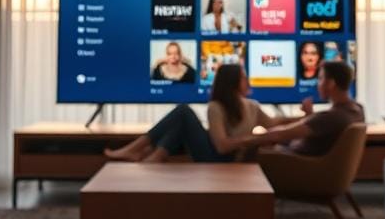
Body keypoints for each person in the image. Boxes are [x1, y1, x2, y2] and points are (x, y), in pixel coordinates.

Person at [105, 64, 288, 163]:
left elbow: (274, 122)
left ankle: (138, 150)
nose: (248, 81)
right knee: (181, 119)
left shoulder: (252, 106)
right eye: (243, 77)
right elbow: (221, 144)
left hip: (219, 160)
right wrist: (252, 139)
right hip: (215, 154)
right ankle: (151, 156)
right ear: (232, 82)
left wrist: (305, 117)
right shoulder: (216, 106)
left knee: (182, 112)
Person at [240, 60, 365, 156]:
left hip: (300, 167)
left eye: (320, 79)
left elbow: (279, 135)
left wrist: (240, 141)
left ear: (331, 84)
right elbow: (319, 129)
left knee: (255, 147)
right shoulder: (357, 110)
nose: (318, 84)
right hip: (317, 164)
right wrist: (309, 116)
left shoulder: (330, 117)